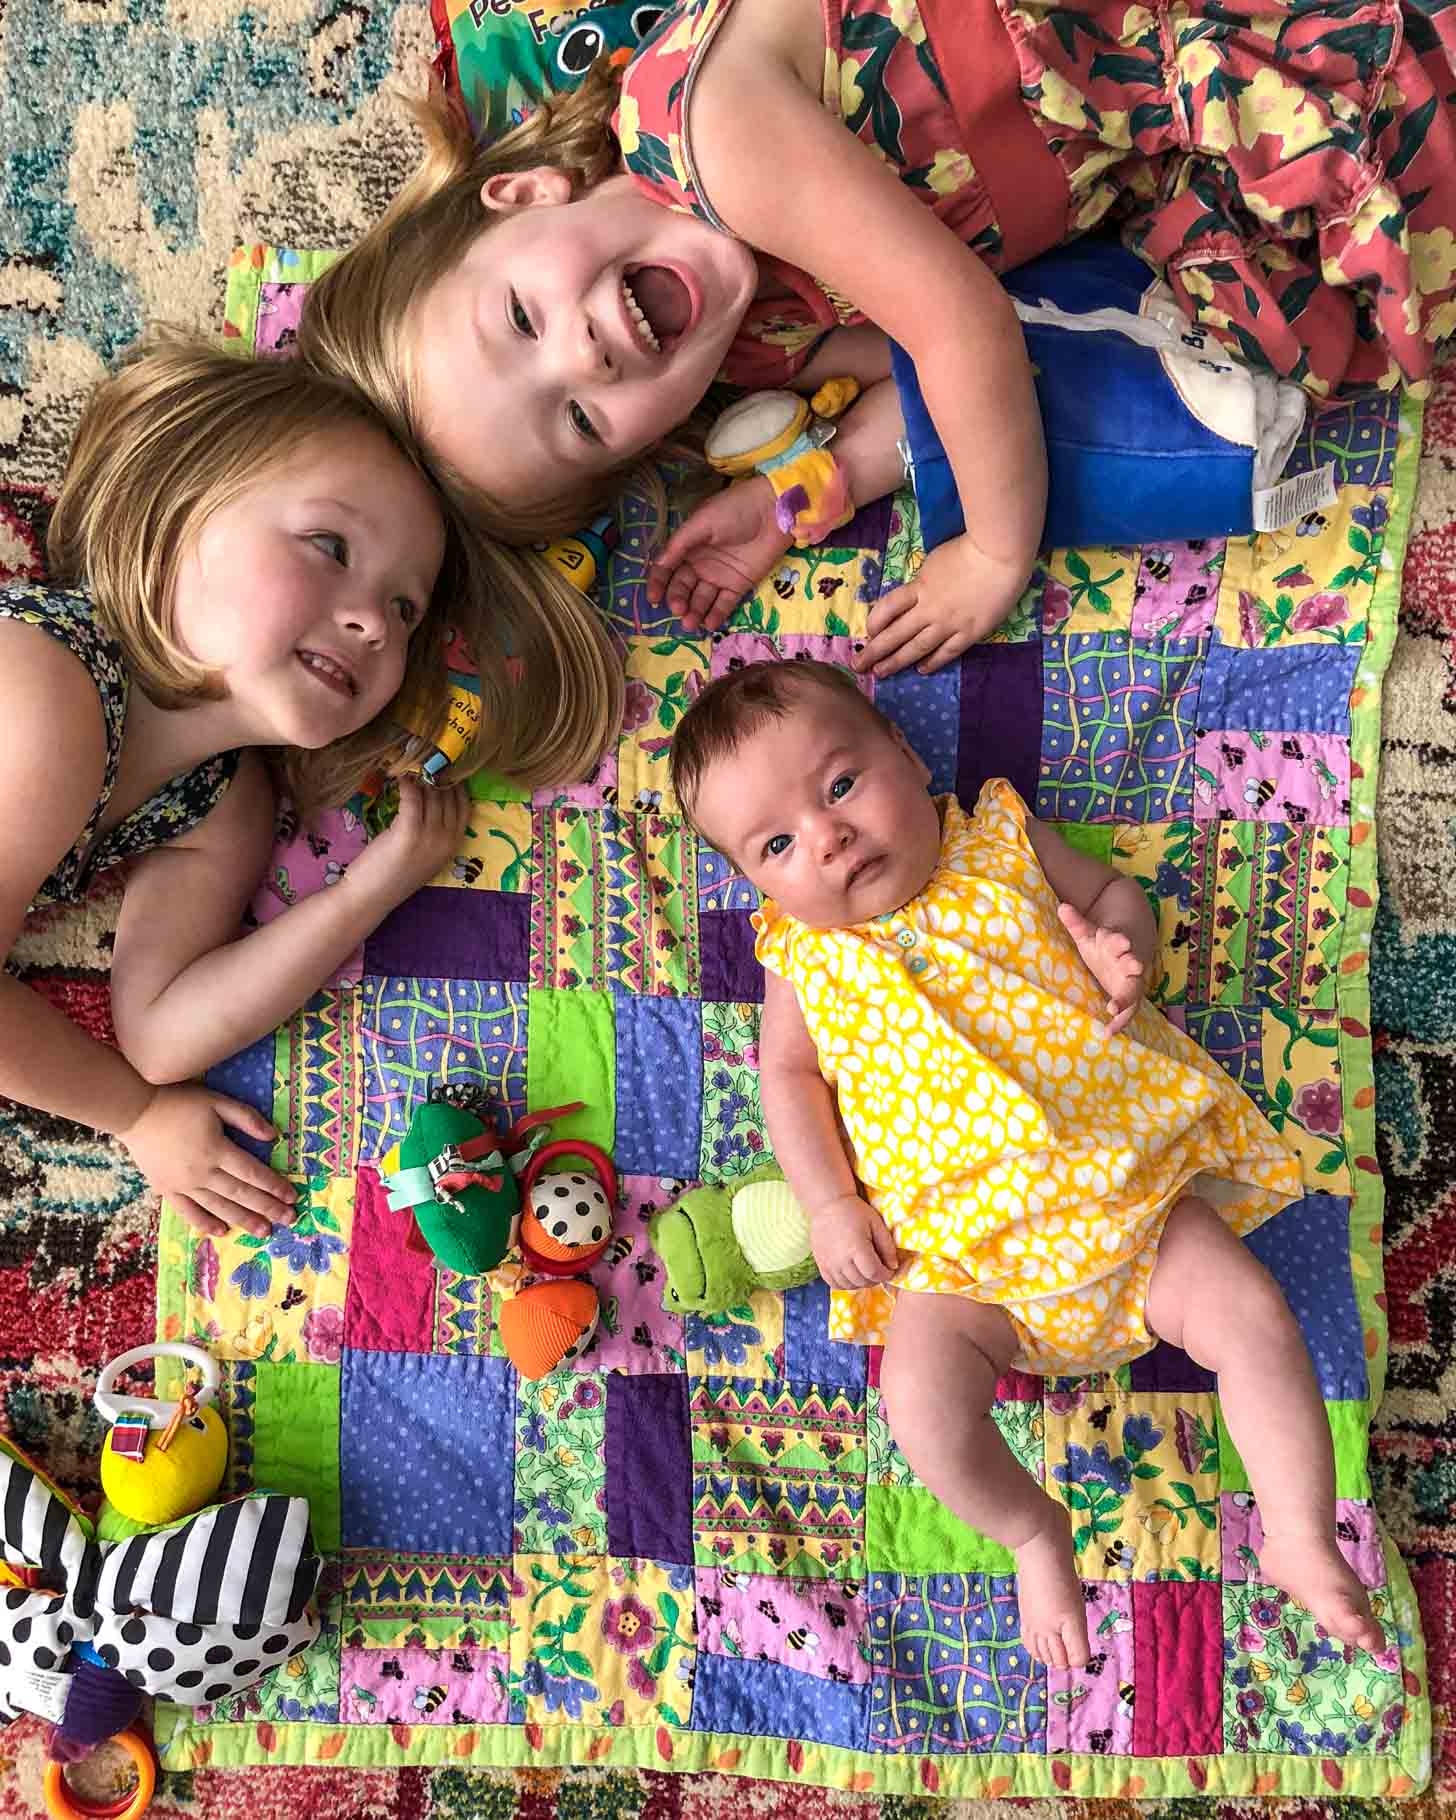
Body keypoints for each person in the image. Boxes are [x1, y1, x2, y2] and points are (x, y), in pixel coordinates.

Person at [299, 0, 1456, 675]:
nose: (584, 356)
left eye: (519, 319)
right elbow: (951, 367)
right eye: (580, 419)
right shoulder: (754, 344)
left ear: (527, 196)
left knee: (1387, 145)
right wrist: (796, 494)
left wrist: (994, 554)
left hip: (1100, 30)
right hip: (1131, 136)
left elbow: (957, 328)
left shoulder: (699, 131)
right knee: (1289, 324)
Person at [668, 657, 1383, 1669]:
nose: (826, 838)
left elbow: (1112, 893)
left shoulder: (997, 837)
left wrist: (1116, 948)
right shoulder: (801, 954)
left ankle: (1300, 1532)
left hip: (1127, 1200)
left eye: (839, 786)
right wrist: (829, 1203)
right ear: (757, 883)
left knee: (1255, 1318)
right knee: (917, 1403)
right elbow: (788, 1079)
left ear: (907, 757)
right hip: (966, 1268)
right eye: (778, 843)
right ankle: (1031, 1529)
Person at [1, 334, 617, 1243]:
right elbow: (141, 1075)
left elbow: (164, 1032)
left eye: (405, 608)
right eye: (329, 546)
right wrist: (131, 1115)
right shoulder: (42, 693)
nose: (373, 620)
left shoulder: (225, 801)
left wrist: (378, 882)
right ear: (178, 507)